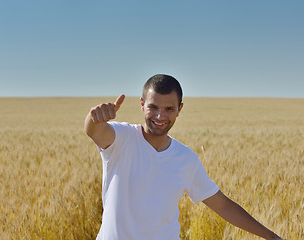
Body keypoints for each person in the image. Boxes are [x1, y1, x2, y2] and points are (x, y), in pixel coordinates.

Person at [84, 74, 284, 240]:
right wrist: (95, 118)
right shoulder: (122, 138)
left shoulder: (185, 159)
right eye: (153, 107)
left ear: (179, 109)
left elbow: (222, 205)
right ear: (142, 104)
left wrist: (272, 237)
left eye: (169, 109)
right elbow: (95, 131)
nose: (160, 116)